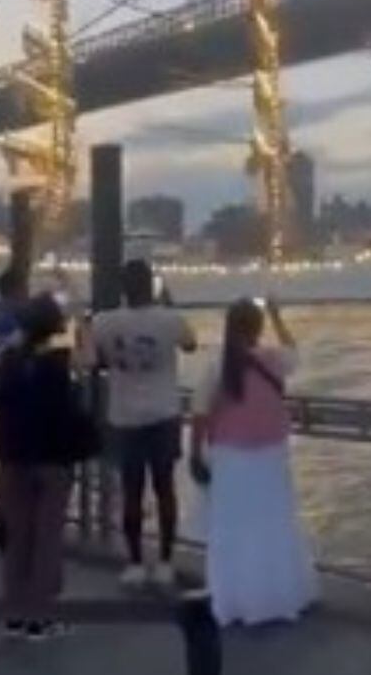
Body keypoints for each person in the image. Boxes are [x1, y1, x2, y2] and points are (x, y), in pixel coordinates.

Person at [190, 298, 317, 627]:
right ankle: (278, 595)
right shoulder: (273, 359)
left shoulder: (217, 364)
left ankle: (234, 599)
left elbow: (201, 414)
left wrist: (194, 454)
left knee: (232, 527)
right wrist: (277, 315)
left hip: (230, 457)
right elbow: (295, 352)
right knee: (273, 522)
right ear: (258, 328)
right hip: (271, 454)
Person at [0, 295, 97, 639]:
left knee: (18, 536)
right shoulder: (60, 361)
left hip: (12, 458)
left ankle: (14, 612)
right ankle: (42, 615)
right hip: (53, 458)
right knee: (47, 537)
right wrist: (83, 320)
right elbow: (91, 359)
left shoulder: (6, 361)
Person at [89, 259, 198, 587]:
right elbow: (191, 344)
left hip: (124, 416)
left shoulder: (103, 322)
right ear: (151, 284)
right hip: (164, 413)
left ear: (122, 288)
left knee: (131, 490)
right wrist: (169, 302)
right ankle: (164, 561)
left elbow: (93, 360)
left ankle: (135, 562)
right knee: (165, 489)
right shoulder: (170, 319)